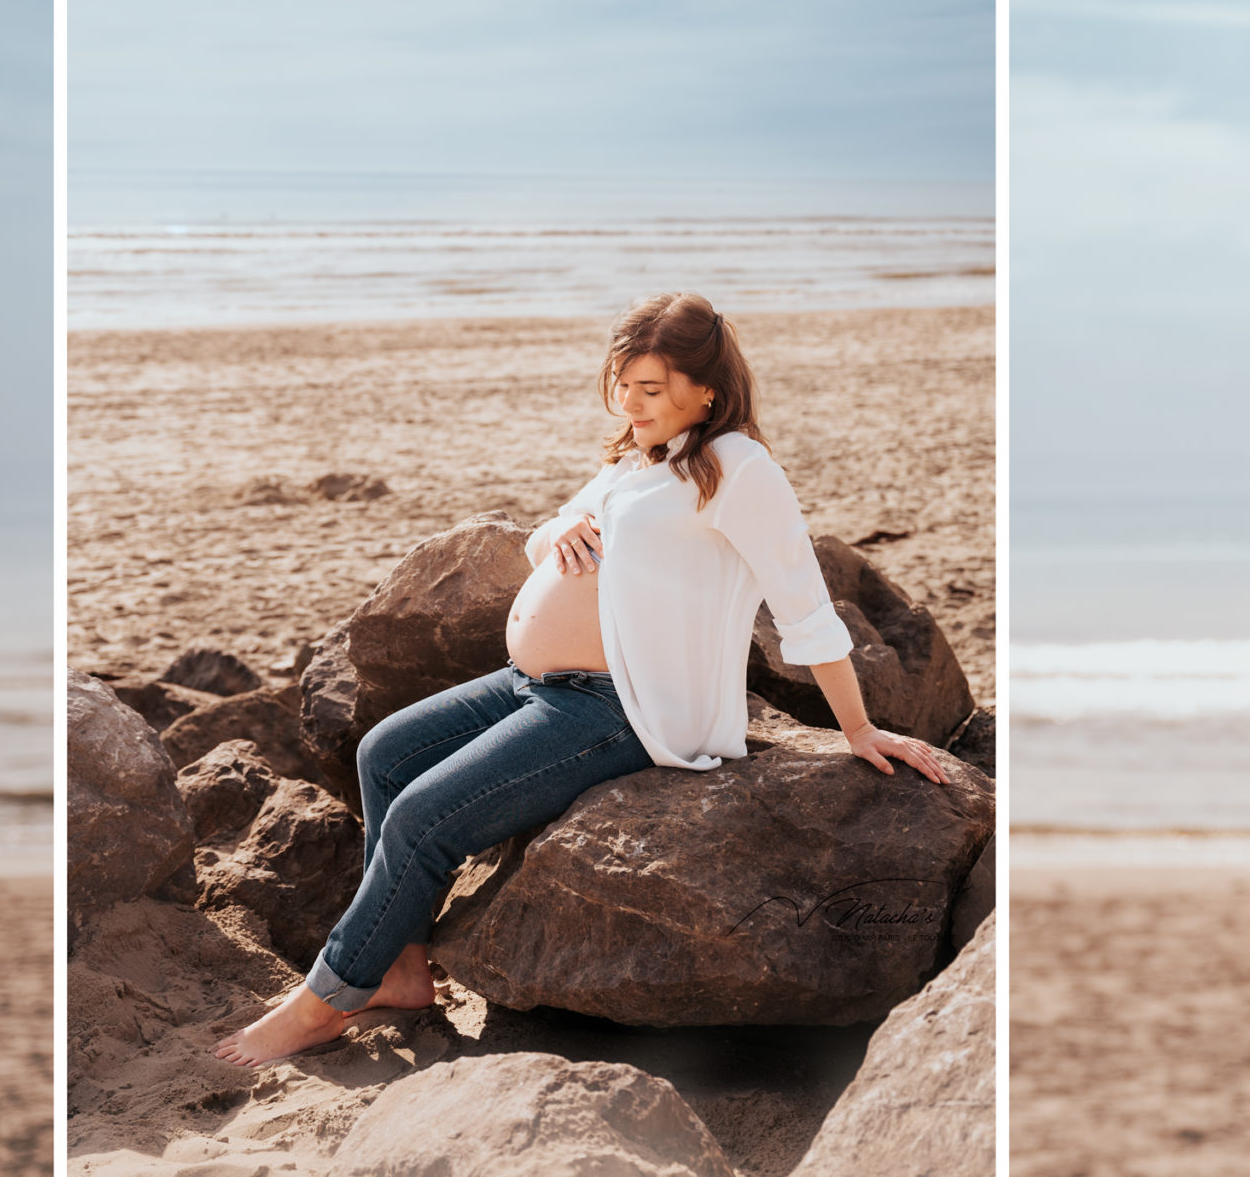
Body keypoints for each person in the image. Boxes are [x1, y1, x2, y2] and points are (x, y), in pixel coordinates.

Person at [217, 291, 949, 1067]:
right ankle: (399, 967)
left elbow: (804, 603)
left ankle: (320, 1001)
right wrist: (557, 529)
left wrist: (859, 727)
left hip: (621, 708)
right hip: (539, 683)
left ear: (708, 389)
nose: (631, 405)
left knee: (424, 821)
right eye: (623, 386)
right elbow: (545, 536)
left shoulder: (739, 468)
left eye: (651, 390)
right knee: (384, 755)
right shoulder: (641, 458)